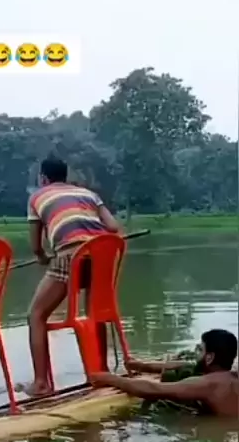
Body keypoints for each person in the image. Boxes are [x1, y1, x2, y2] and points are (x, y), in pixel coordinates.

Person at [19, 156, 121, 398]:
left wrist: (42, 257)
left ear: (43, 178)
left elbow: (36, 246)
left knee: (36, 315)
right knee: (95, 314)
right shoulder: (89, 194)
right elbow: (113, 227)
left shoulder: (37, 197)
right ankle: (101, 371)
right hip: (102, 255)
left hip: (70, 256)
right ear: (66, 177)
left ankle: (41, 383)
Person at [90, 329, 239, 418]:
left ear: (210, 357)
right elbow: (186, 365)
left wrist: (110, 378)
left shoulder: (208, 384)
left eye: (200, 349)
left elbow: (154, 389)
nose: (196, 354)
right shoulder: (231, 377)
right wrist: (140, 365)